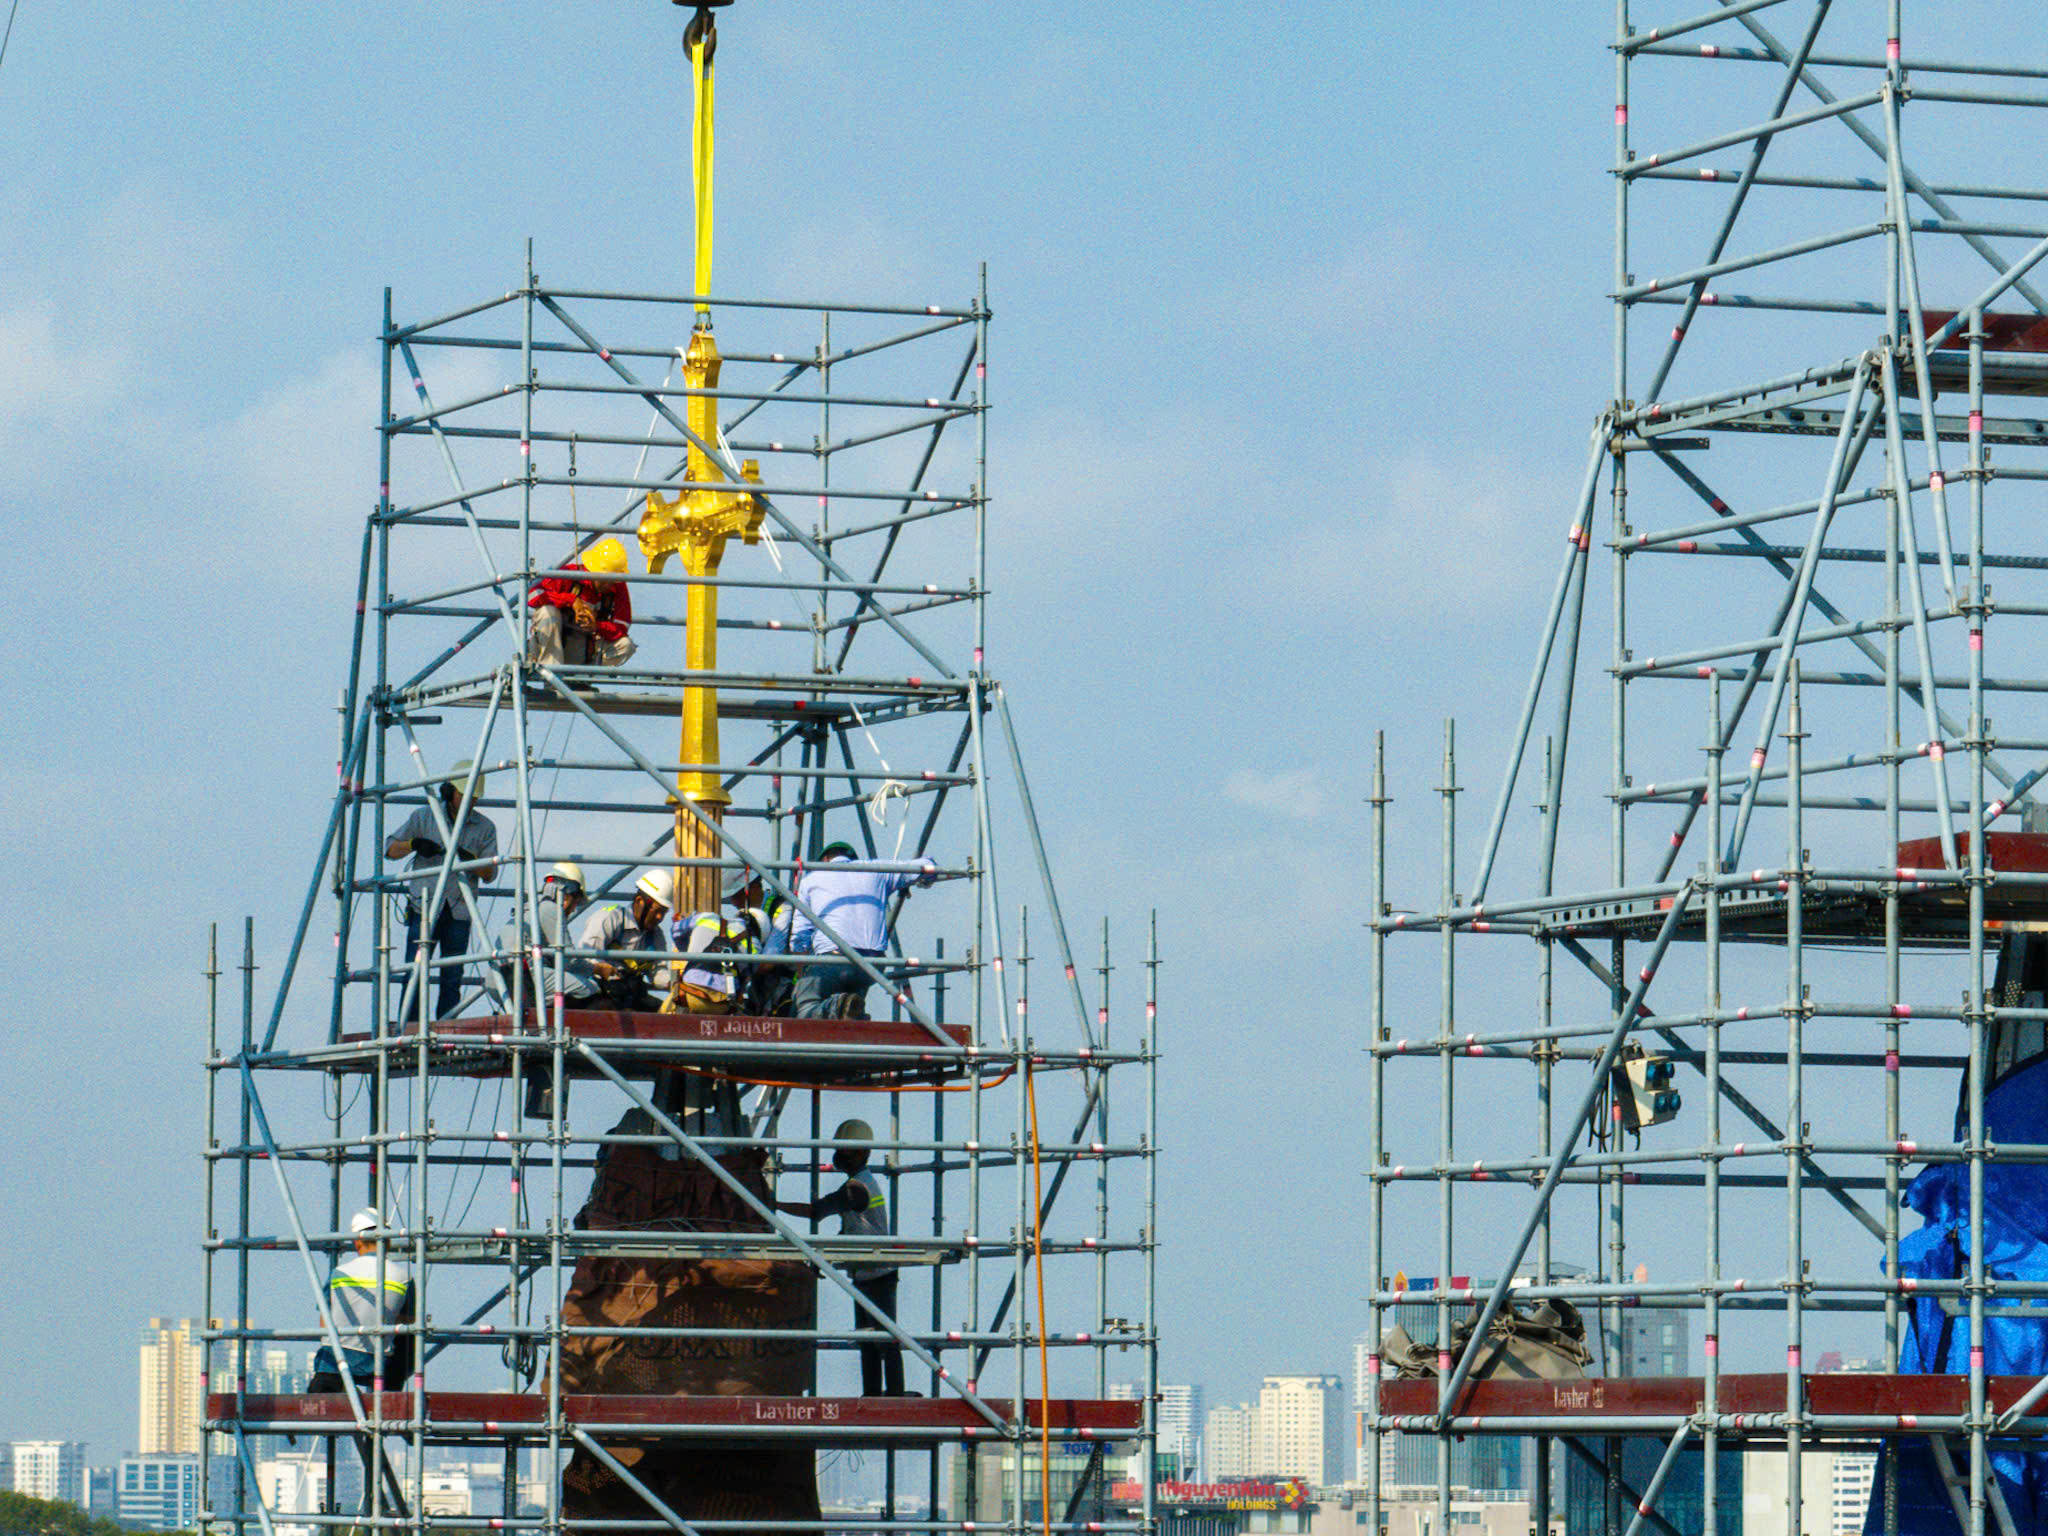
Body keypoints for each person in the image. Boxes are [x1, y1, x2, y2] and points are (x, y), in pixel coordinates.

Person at [775, 1119, 906, 1396]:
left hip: (877, 1273)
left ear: (862, 1154)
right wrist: (829, 1259)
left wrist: (771, 1205)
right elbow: (850, 1230)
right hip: (867, 1272)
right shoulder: (860, 1183)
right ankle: (873, 1394)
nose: (840, 1155)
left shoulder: (856, 1188)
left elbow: (816, 1211)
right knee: (868, 1339)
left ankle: (893, 1395)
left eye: (847, 1150)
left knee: (884, 1340)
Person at [385, 761, 499, 1021]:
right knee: (414, 972)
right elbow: (390, 849)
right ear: (448, 792)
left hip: (458, 910)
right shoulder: (424, 817)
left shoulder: (484, 828)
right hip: (423, 908)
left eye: (474, 797)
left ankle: (447, 1028)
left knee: (452, 976)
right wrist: (414, 844)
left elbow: (490, 874)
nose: (470, 801)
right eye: (464, 795)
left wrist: (469, 859)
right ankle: (410, 1026)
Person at [788, 843, 936, 1019]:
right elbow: (928, 865)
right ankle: (850, 1012)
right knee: (850, 1002)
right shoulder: (875, 871)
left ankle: (837, 1006)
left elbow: (799, 936)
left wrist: (801, 970)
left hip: (833, 960)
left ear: (825, 860)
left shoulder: (812, 880)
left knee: (805, 1008)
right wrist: (925, 879)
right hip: (872, 965)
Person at [307, 1208, 415, 1393]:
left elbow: (325, 1324)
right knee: (411, 1334)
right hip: (381, 1364)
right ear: (387, 1241)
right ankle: (391, 1392)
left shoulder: (338, 1274)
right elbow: (407, 1321)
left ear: (357, 1241)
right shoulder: (403, 1277)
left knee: (323, 1385)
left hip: (335, 1363)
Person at [577, 868, 677, 1010]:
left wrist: (673, 984)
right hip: (601, 992)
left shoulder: (655, 935)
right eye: (657, 911)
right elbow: (587, 957)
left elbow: (657, 970)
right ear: (640, 901)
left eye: (664, 913)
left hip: (630, 993)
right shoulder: (609, 919)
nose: (660, 917)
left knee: (667, 1016)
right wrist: (611, 977)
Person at [528, 537, 636, 668]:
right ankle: (552, 675)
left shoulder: (617, 587)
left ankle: (583, 677)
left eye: (612, 580)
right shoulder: (570, 574)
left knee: (625, 645)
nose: (608, 584)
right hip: (554, 643)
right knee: (547, 613)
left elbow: (622, 626)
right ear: (591, 570)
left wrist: (597, 626)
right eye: (604, 579)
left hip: (586, 646)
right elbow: (532, 595)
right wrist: (571, 600)